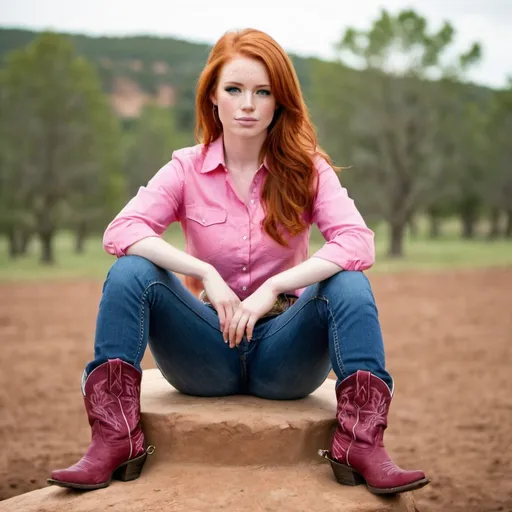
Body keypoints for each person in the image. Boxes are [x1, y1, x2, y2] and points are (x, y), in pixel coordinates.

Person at [48, 28, 429, 496]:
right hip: (205, 351)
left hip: (285, 356)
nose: (248, 104)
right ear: (213, 99)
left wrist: (275, 286)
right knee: (131, 271)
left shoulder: (308, 169)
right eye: (234, 89)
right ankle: (114, 439)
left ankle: (362, 445)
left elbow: (357, 241)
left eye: (262, 92)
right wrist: (204, 272)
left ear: (278, 102)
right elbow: (121, 231)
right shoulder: (185, 168)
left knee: (348, 283)